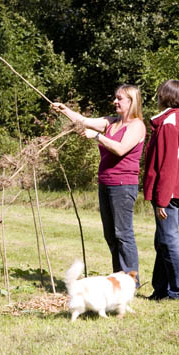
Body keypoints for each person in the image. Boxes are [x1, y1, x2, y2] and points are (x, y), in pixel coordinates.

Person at [52, 85, 146, 286]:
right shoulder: (111, 122)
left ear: (131, 102)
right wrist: (64, 110)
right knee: (110, 235)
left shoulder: (137, 126)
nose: (115, 102)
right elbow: (83, 121)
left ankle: (131, 281)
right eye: (115, 98)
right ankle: (119, 277)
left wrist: (96, 136)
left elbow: (120, 149)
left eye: (120, 99)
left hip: (123, 185)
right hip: (105, 183)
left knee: (123, 234)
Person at [143, 79, 179, 300]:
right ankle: (162, 289)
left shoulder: (169, 124)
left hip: (170, 193)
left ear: (163, 97)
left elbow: (168, 164)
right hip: (177, 190)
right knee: (163, 240)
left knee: (169, 240)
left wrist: (162, 199)